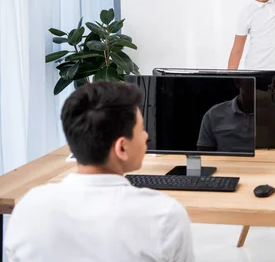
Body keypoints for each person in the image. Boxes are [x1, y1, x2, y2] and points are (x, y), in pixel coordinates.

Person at [4, 82, 195, 262]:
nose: (146, 136)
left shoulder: (28, 207)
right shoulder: (164, 215)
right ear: (121, 147)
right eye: (142, 130)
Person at [196, 78, 255, 153]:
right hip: (224, 164)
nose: (257, 86)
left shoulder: (272, 115)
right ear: (237, 82)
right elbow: (203, 156)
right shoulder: (213, 114)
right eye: (252, 81)